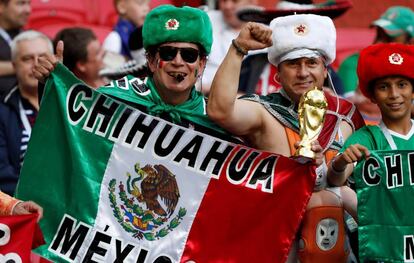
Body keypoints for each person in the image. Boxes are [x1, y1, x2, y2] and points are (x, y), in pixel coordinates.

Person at [207, 14, 365, 262]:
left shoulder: (346, 115)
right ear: (278, 74)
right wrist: (239, 49)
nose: (303, 72)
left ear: (325, 71)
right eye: (293, 64)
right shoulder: (263, 112)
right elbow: (219, 111)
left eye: (311, 63)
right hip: (277, 249)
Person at [34, 5, 237, 142]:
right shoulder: (115, 100)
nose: (178, 62)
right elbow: (64, 131)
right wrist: (52, 84)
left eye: (189, 55)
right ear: (150, 61)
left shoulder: (214, 122)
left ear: (201, 65)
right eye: (168, 53)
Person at [328, 43, 414, 262]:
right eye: (384, 87)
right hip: (386, 249)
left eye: (402, 85)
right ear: (373, 96)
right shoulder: (366, 137)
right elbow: (334, 179)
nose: (394, 94)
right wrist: (339, 163)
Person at [338, 6, 414, 125]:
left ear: (410, 40)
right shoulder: (354, 63)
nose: (379, 42)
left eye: (389, 37)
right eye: (379, 34)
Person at [0, 30, 53, 196]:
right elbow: (2, 172)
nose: (36, 64)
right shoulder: (3, 112)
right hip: (25, 202)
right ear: (14, 66)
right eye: (27, 59)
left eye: (43, 57)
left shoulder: (72, 105)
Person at [201, 0, 256, 94]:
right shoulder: (205, 20)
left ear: (252, 1)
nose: (227, 6)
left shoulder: (266, 31)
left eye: (235, 1)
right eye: (223, 1)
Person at [0, 0, 31, 96]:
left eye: (29, 3)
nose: (28, 10)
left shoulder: (31, 37)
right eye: (21, 3)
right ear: (1, 6)